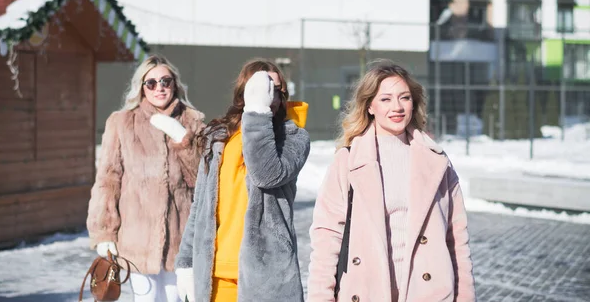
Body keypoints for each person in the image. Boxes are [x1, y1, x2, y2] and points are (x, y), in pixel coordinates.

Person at [307, 61, 476, 302]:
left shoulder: (437, 162)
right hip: (367, 292)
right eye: (386, 99)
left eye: (404, 98)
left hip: (430, 293)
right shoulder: (348, 161)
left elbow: (457, 238)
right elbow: (326, 239)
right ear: (370, 106)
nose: (396, 107)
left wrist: (465, 297)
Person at [174, 59, 311, 302]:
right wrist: (186, 261)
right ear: (243, 92)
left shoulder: (293, 137)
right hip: (216, 273)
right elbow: (201, 205)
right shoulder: (219, 137)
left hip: (266, 275)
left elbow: (266, 174)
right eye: (260, 88)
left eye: (275, 89)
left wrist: (258, 113)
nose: (268, 95)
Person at [87, 55, 205, 302]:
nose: (159, 87)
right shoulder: (122, 122)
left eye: (165, 81)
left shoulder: (193, 121)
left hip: (181, 242)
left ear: (175, 84)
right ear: (141, 87)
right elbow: (108, 181)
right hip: (136, 241)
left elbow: (203, 180)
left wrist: (184, 142)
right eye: (151, 83)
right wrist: (104, 233)